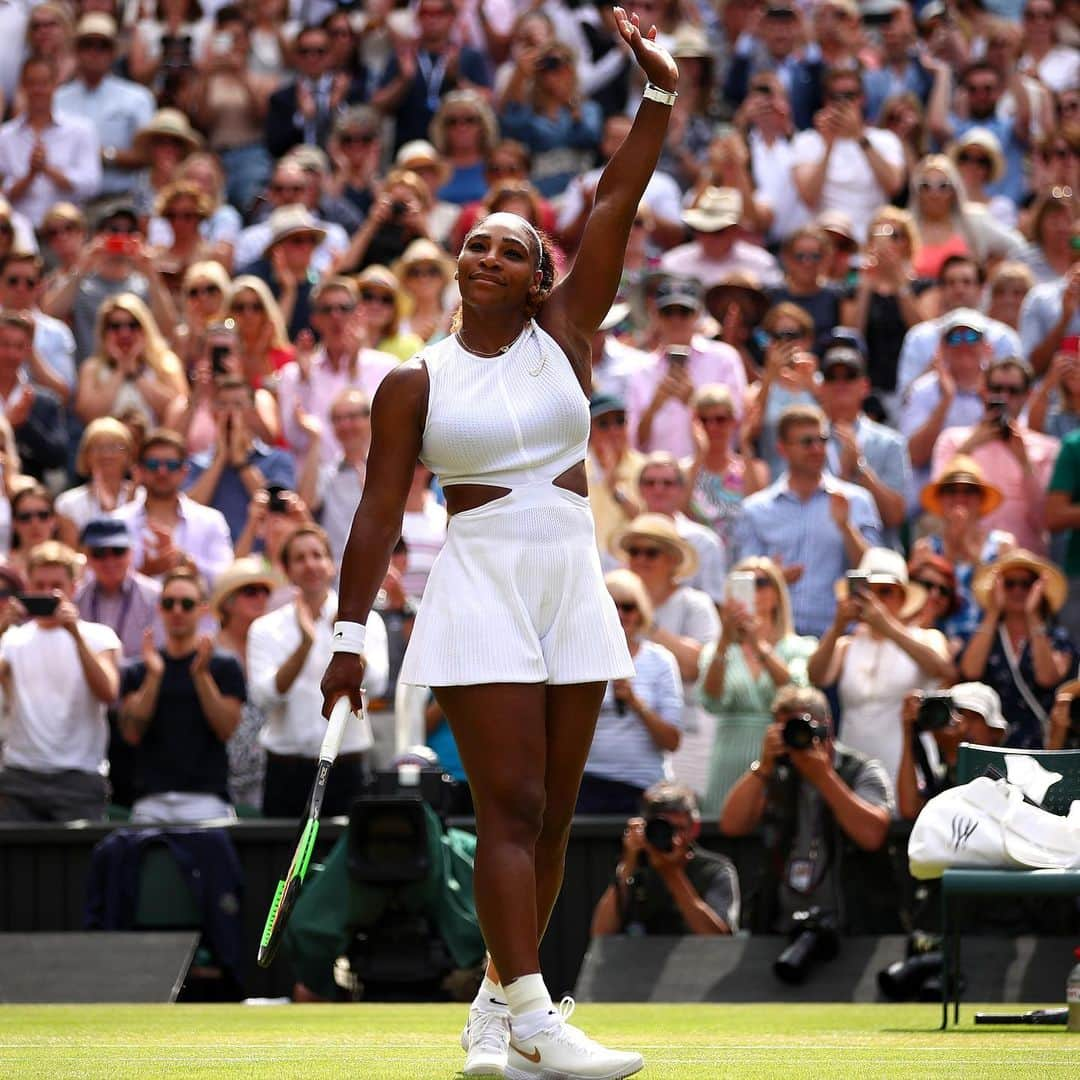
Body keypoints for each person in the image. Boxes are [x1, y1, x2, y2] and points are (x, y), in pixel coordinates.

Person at [320, 13, 676, 1078]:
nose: (483, 252)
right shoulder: (411, 380)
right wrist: (349, 633)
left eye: (510, 247)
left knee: (558, 813)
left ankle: (492, 1016)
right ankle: (537, 1015)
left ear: (538, 278)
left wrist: (657, 97)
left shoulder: (567, 332)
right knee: (510, 806)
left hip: (569, 570)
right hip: (476, 577)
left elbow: (616, 197)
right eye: (475, 240)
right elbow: (378, 515)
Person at [719, 685, 892, 934]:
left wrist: (824, 777)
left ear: (827, 727)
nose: (796, 737)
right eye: (786, 730)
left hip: (851, 927)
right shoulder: (776, 772)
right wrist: (764, 765)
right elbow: (732, 825)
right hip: (781, 926)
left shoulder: (861, 770)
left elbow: (872, 835)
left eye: (801, 727)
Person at [250, 523, 388, 818]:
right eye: (299, 558)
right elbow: (264, 697)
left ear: (331, 565)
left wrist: (348, 639)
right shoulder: (264, 628)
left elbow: (375, 684)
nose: (310, 564)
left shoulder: (368, 621)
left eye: (317, 555)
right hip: (286, 770)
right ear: (287, 570)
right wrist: (305, 644)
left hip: (347, 767)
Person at [807, 547, 953, 797]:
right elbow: (816, 676)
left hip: (907, 769)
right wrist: (838, 625)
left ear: (903, 597)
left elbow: (942, 669)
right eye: (866, 591)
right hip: (856, 773)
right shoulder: (846, 645)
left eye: (885, 592)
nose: (874, 600)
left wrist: (888, 627)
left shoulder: (926, 638)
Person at [736, 404, 881, 638]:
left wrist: (846, 528)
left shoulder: (856, 500)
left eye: (822, 440)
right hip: (777, 641)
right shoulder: (756, 509)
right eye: (806, 442)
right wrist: (774, 577)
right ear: (782, 449)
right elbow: (743, 584)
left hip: (839, 637)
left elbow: (874, 572)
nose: (817, 449)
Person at [0, 541, 120, 822]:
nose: (45, 593)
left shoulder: (98, 637)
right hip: (21, 777)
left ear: (74, 588)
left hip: (80, 778)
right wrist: (2, 627)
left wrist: (74, 634)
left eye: (55, 586)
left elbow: (108, 692)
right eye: (39, 585)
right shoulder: (12, 640)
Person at [118, 566, 246, 824]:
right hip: (150, 801)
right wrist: (154, 677)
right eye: (169, 603)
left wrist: (201, 676)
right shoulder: (139, 669)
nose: (177, 610)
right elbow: (131, 732)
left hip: (207, 800)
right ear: (159, 609)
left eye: (187, 604)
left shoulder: (224, 666)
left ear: (202, 609)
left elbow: (226, 729)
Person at [699, 557, 816, 817]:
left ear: (778, 594)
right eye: (744, 583)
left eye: (761, 582)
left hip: (782, 754)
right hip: (728, 758)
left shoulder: (800, 647)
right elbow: (709, 700)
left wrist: (756, 644)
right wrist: (724, 641)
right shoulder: (717, 650)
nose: (753, 589)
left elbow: (796, 693)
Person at [577, 569, 682, 815]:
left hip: (644, 787)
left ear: (641, 612)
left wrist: (636, 703)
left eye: (628, 607)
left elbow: (672, 740)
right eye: (611, 606)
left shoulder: (661, 661)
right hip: (587, 785)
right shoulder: (579, 659)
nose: (620, 615)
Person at [931, 355, 1060, 555]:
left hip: (1021, 571)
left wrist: (1024, 462)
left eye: (1013, 391)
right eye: (996, 389)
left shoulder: (1047, 448)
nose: (1004, 397)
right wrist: (969, 447)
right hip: (963, 559)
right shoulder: (952, 440)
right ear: (984, 391)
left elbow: (1044, 519)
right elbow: (936, 503)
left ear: (1028, 395)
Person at [958, 549, 1076, 749]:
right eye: (1009, 584)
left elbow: (1047, 678)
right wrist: (993, 610)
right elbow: (970, 671)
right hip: (993, 745)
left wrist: (1032, 615)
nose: (1018, 591)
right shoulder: (985, 636)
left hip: (1044, 745)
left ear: (1038, 588)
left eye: (1027, 584)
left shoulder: (1057, 638)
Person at [590, 781, 739, 937]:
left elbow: (719, 940)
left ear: (694, 828)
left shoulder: (715, 870)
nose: (672, 837)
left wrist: (672, 874)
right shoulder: (635, 868)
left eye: (679, 828)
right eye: (664, 829)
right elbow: (600, 934)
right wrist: (628, 863)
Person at [791, 65, 905, 243]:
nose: (842, 102)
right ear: (825, 100)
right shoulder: (806, 141)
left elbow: (893, 186)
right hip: (827, 242)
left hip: (872, 240)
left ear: (862, 98)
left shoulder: (885, 139)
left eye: (850, 96)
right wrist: (828, 145)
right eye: (835, 96)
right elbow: (809, 197)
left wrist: (859, 137)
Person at [817, 336, 911, 549]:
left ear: (865, 386)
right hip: (822, 555)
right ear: (821, 387)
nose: (841, 384)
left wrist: (860, 468)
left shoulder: (891, 442)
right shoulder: (808, 440)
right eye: (832, 377)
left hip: (877, 560)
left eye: (849, 376)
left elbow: (895, 516)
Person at [913, 456, 1016, 642]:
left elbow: (1010, 600)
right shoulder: (925, 548)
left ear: (981, 499)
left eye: (969, 491)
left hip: (992, 643)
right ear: (941, 499)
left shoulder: (1003, 545)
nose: (960, 498)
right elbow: (916, 604)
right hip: (938, 643)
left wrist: (969, 547)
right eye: (951, 491)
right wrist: (950, 551)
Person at [114, 427, 234, 587]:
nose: (162, 472)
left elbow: (228, 579)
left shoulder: (211, 520)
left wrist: (188, 563)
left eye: (171, 465)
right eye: (152, 464)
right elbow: (100, 585)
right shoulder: (117, 522)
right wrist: (145, 572)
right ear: (140, 471)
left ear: (184, 471)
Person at [53, 15, 155, 201]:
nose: (94, 52)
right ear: (76, 51)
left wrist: (104, 155)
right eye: (87, 45)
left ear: (113, 52)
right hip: (68, 202)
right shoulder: (58, 99)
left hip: (119, 200)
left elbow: (147, 154)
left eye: (103, 46)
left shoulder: (137, 97)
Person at [209, 557, 278, 813]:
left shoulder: (273, 647)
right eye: (250, 591)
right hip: (219, 773)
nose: (260, 598)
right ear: (227, 602)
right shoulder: (209, 652)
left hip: (268, 772)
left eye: (265, 591)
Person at [0, 57, 100, 228]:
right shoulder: (5, 136)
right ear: (23, 86)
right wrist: (30, 175)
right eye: (32, 83)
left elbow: (91, 185)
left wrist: (48, 170)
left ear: (55, 84)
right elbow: (3, 195)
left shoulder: (81, 130)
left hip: (65, 234)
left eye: (44, 83)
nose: (38, 90)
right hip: (21, 234)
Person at [896, 682, 1007, 821]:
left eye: (973, 718)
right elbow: (909, 810)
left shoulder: (1008, 776)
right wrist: (908, 731)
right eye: (956, 714)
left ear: (995, 732)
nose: (963, 724)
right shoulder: (939, 775)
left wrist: (959, 754)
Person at [684, 383, 769, 554]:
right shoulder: (683, 470)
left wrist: (745, 443)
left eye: (720, 419)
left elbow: (755, 512)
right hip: (698, 562)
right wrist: (700, 455)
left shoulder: (756, 469)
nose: (712, 427)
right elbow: (680, 512)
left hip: (741, 563)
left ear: (733, 422)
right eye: (704, 420)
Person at [636, 452, 727, 602]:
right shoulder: (623, 539)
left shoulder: (704, 543)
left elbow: (714, 602)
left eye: (667, 483)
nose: (658, 490)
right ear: (639, 489)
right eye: (650, 483)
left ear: (681, 489)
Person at [75, 518, 162, 663]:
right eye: (99, 553)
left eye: (118, 551)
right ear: (85, 555)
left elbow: (160, 650)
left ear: (131, 552)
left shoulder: (155, 596)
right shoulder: (76, 598)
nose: (109, 561)